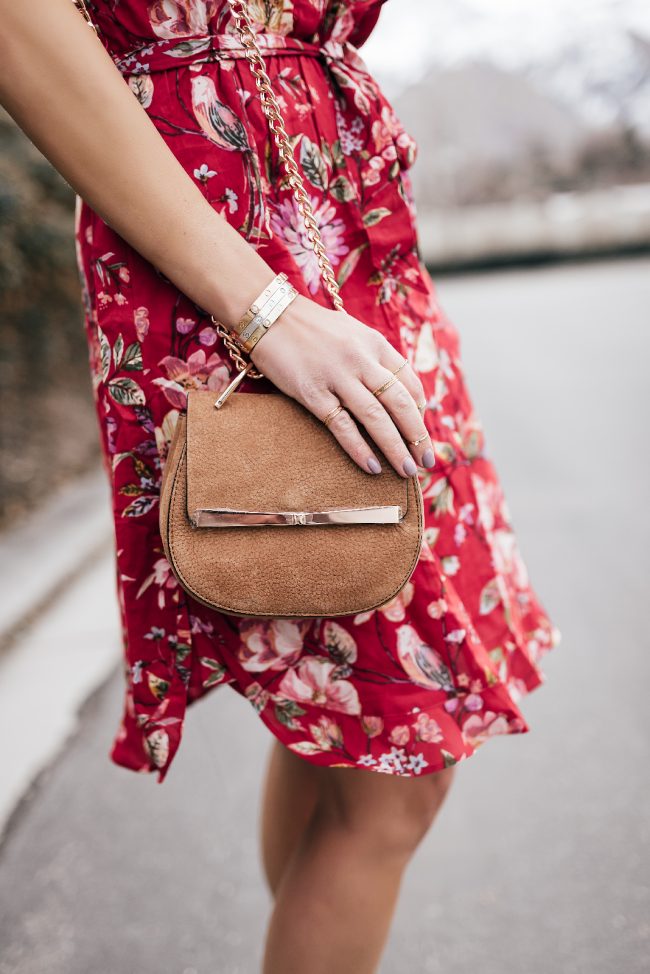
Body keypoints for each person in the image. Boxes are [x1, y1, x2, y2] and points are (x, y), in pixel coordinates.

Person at [0, 2, 559, 971]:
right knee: (397, 775)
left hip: (359, 259)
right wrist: (263, 308)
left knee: (335, 702)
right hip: (229, 254)